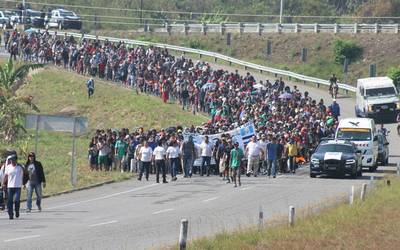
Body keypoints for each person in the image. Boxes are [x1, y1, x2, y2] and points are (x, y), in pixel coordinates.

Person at [2, 154, 27, 220]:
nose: (12, 161)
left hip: (17, 186)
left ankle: (17, 211)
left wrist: (24, 184)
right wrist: (3, 183)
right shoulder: (8, 167)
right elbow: (6, 176)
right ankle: (10, 214)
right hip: (10, 186)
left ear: (16, 160)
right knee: (9, 201)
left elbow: (25, 174)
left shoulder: (19, 167)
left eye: (13, 160)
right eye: (11, 160)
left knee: (16, 200)